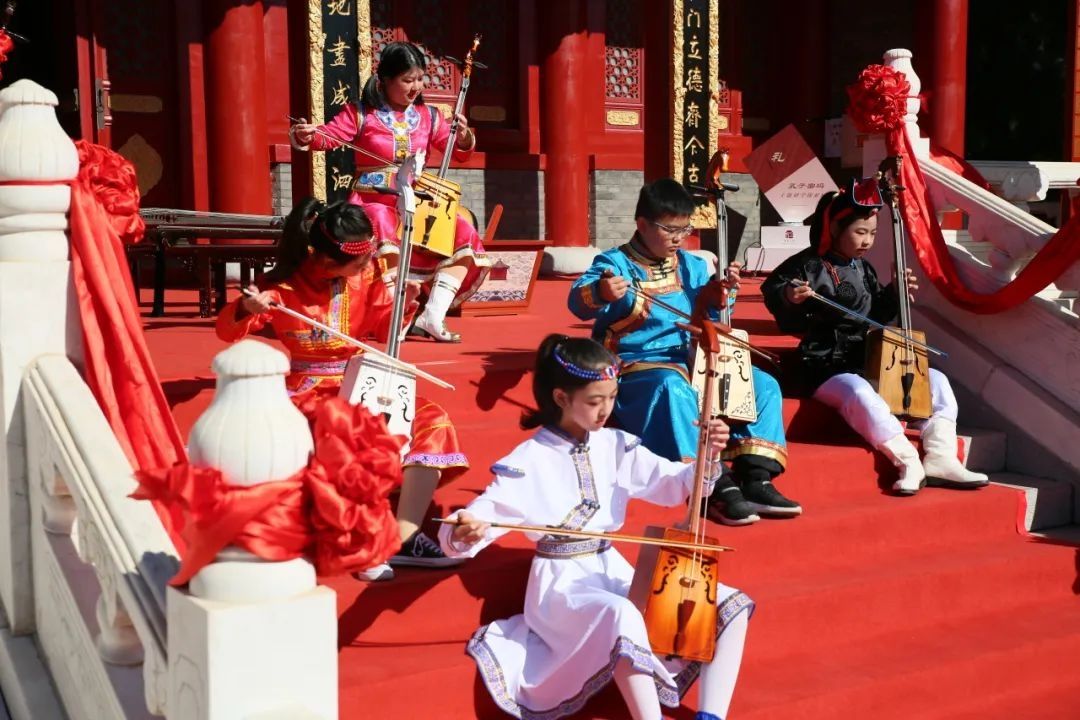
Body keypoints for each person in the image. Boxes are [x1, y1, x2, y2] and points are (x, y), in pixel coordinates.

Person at [439, 334, 752, 720]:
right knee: (622, 613)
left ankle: (712, 715)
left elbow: (674, 484)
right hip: (561, 586)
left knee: (728, 603)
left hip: (612, 569)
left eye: (612, 397)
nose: (606, 410)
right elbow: (484, 512)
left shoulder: (616, 444)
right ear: (560, 398)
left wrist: (708, 453)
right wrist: (464, 528)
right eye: (594, 401)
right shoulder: (529, 459)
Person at [216, 197, 470, 581]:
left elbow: (384, 331)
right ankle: (361, 541)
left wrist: (406, 304)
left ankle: (405, 535)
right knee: (351, 432)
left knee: (431, 419)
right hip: (308, 388)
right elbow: (226, 332)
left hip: (362, 377)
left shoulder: (366, 276)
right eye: (358, 264)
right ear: (325, 260)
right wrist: (245, 309)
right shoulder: (282, 286)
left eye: (367, 261)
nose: (366, 268)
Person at [568, 179, 801, 527]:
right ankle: (710, 483)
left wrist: (723, 294)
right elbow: (577, 301)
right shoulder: (615, 263)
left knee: (762, 383)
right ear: (642, 224)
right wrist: (601, 291)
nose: (678, 238)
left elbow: (712, 315)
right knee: (672, 387)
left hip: (694, 357)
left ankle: (755, 475)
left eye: (685, 229)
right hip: (639, 365)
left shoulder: (692, 265)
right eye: (670, 229)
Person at [760, 179, 990, 495]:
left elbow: (876, 314)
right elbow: (774, 293)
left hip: (867, 356)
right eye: (860, 232)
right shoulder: (808, 264)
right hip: (823, 361)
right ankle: (907, 460)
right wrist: (790, 296)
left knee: (936, 381)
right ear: (835, 228)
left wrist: (895, 292)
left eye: (872, 233)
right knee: (858, 392)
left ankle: (941, 456)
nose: (867, 240)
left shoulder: (863, 268)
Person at [290, 41, 490, 343]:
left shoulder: (429, 116)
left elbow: (458, 151)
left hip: (417, 201)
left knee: (463, 231)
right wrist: (306, 134)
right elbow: (327, 137)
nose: (416, 87)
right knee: (382, 224)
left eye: (420, 79)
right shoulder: (361, 113)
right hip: (374, 199)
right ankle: (393, 315)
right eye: (407, 80)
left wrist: (462, 136)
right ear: (385, 80)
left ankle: (433, 314)